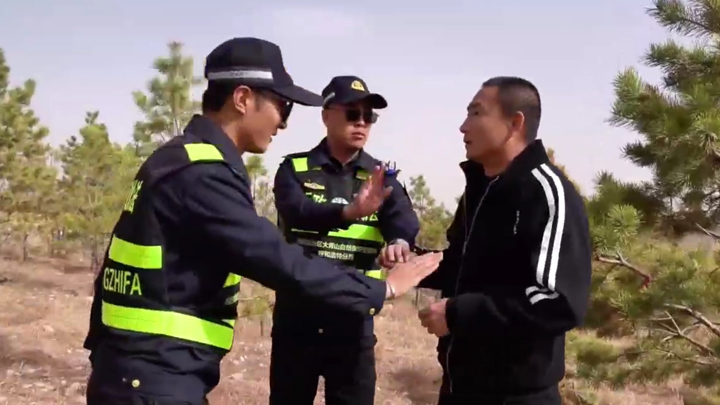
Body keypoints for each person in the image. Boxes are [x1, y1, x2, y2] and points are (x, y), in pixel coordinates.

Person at [82, 37, 442, 405]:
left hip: (146, 370)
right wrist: (382, 290)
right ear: (242, 99)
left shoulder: (179, 158)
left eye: (369, 116)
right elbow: (272, 255)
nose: (283, 123)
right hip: (154, 375)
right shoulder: (203, 171)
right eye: (282, 106)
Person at [383, 77, 592, 405]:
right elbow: (463, 264)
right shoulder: (480, 190)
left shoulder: (546, 193)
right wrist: (415, 264)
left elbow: (558, 301)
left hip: (517, 396)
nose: (463, 127)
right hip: (459, 387)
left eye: (476, 113)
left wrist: (458, 314)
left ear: (515, 123)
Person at [270, 75, 419, 405]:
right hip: (298, 320)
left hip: (354, 321)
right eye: (353, 114)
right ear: (326, 116)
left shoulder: (380, 176)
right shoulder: (294, 169)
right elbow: (297, 212)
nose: (362, 123)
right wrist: (348, 212)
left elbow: (402, 216)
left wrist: (398, 241)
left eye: (369, 116)